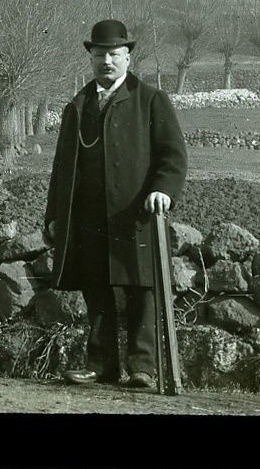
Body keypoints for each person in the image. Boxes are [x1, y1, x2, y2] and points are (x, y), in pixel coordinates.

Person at [44, 19, 187, 390]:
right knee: (96, 288)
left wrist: (163, 191)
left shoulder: (151, 100)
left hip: (135, 214)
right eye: (99, 55)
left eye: (114, 54)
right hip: (89, 218)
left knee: (142, 288)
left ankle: (143, 368)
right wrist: (55, 218)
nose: (106, 62)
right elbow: (60, 169)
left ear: (127, 58)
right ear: (90, 58)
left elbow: (172, 157)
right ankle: (101, 364)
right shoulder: (77, 106)